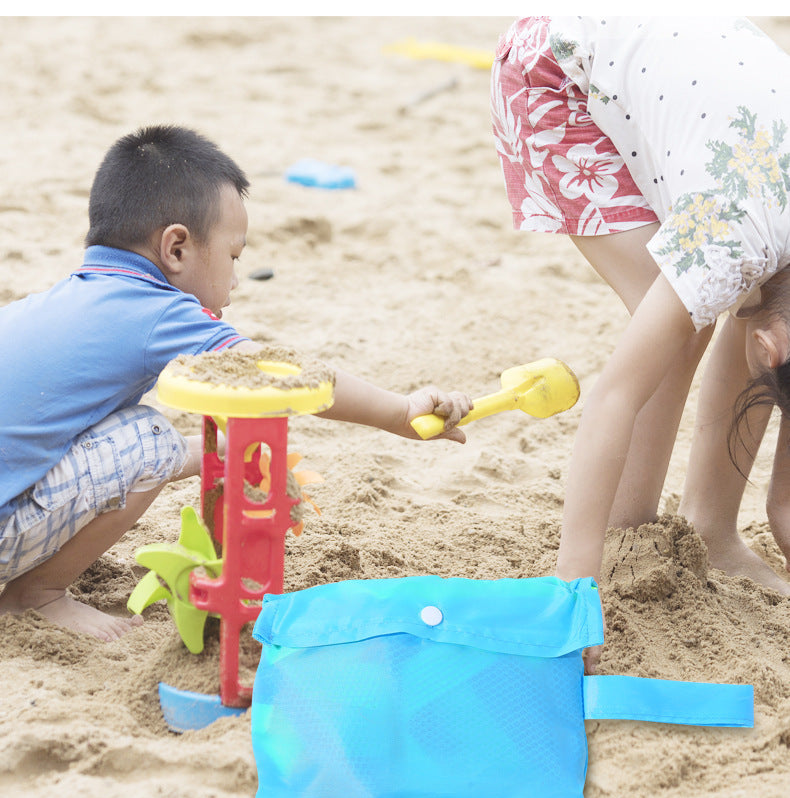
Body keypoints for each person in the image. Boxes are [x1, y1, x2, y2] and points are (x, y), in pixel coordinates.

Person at [0, 125, 473, 642]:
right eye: (233, 256)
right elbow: (282, 376)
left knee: (136, 436)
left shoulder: (63, 301)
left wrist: (219, 451)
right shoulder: (156, 310)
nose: (235, 279)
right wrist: (399, 412)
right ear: (176, 248)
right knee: (147, 436)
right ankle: (36, 594)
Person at [490, 16, 790, 670]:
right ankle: (624, 543)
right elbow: (614, 397)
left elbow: (786, 504)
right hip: (553, 70)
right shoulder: (732, 243)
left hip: (680, 55)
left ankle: (710, 526)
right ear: (773, 350)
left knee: (716, 301)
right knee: (676, 329)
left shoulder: (764, 273)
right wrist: (577, 583)